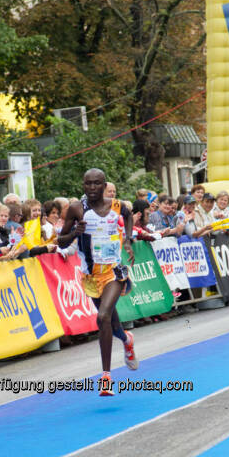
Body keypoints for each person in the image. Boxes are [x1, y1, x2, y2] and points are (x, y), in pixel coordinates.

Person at [58, 168, 138, 396]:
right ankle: (126, 339)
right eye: (88, 184)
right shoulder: (76, 209)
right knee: (110, 323)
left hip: (113, 271)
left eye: (96, 184)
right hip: (90, 275)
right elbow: (61, 243)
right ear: (83, 185)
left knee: (102, 316)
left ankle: (106, 377)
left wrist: (129, 240)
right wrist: (74, 232)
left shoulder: (117, 205)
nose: (92, 188)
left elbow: (129, 215)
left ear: (104, 186)